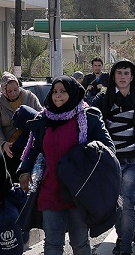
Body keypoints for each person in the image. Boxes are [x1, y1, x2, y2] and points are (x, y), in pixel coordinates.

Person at [17, 75, 114, 255]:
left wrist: (86, 154)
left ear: (73, 92)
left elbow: (107, 148)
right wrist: (24, 171)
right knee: (52, 244)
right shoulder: (43, 119)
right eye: (54, 91)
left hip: (78, 191)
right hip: (50, 189)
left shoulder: (89, 117)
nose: (57, 96)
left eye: (63, 91)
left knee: (79, 243)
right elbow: (34, 148)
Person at [91, 60, 135, 255]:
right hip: (109, 161)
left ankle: (125, 247)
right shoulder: (103, 99)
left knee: (127, 201)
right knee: (115, 203)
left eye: (126, 73)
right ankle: (122, 238)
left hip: (134, 160)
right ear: (113, 76)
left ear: (132, 76)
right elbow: (89, 122)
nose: (122, 76)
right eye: (119, 73)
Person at [0, 72, 43, 182]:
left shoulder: (29, 97)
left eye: (16, 89)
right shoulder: (0, 102)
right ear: (4, 90)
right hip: (9, 149)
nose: (14, 93)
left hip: (28, 145)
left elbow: (41, 116)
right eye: (9, 91)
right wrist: (3, 144)